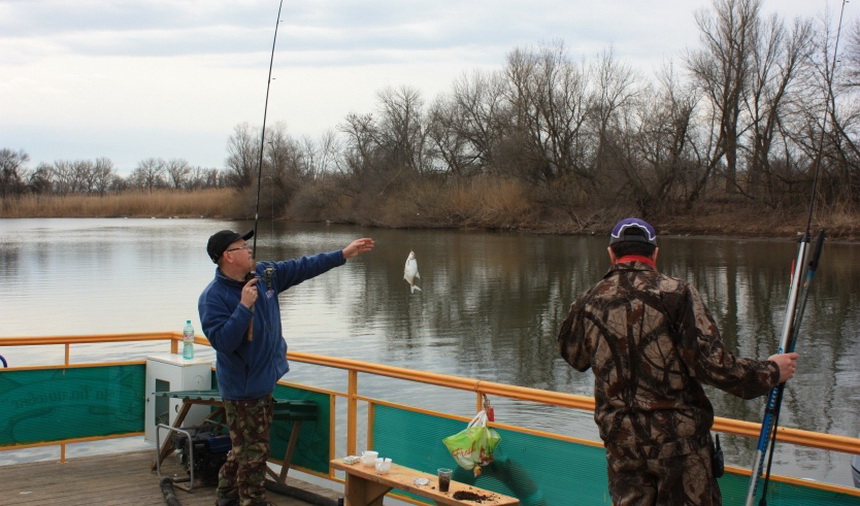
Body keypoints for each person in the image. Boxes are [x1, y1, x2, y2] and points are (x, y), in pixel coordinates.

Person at [557, 217, 798, 506]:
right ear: (655, 254)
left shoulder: (588, 300)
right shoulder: (677, 294)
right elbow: (714, 367)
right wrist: (771, 370)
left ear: (611, 253)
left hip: (623, 445)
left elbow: (574, 357)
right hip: (680, 449)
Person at [199, 229, 374, 506]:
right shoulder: (213, 297)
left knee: (244, 447)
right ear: (227, 257)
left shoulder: (267, 275)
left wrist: (342, 254)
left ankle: (227, 496)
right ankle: (252, 501)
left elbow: (303, 266)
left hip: (265, 379)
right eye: (242, 247)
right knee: (254, 450)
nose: (249, 250)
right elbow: (223, 342)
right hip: (242, 387)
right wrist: (244, 307)